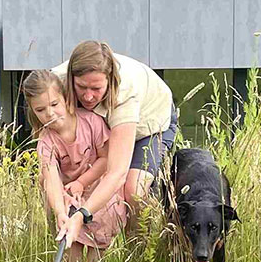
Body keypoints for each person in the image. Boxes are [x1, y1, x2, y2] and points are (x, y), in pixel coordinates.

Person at [51, 41, 176, 244]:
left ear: (110, 81)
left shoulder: (125, 94)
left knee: (134, 190)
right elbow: (49, 159)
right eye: (81, 87)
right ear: (71, 78)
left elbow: (116, 173)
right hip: (103, 124)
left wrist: (82, 214)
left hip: (149, 125)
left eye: (96, 88)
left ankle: (136, 250)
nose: (88, 96)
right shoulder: (55, 83)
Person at [23, 69, 127, 262]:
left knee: (96, 253)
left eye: (54, 104)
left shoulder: (91, 122)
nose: (50, 114)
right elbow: (51, 179)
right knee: (72, 248)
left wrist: (82, 182)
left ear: (66, 98)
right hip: (70, 197)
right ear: (32, 111)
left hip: (98, 192)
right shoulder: (46, 142)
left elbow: (106, 159)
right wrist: (60, 211)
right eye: (40, 110)